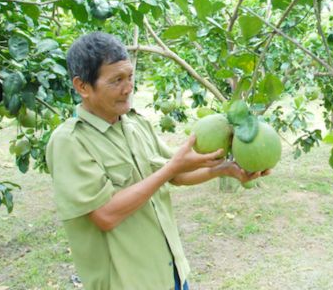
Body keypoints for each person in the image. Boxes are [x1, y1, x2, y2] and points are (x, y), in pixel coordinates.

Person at [45, 32, 269, 290]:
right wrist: (172, 168)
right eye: (116, 80)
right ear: (82, 86)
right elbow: (105, 215)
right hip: (127, 282)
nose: (128, 88)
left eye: (130, 76)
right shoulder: (69, 142)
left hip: (171, 272)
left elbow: (176, 174)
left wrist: (225, 169)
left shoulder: (135, 124)